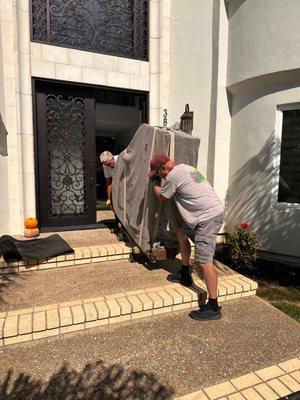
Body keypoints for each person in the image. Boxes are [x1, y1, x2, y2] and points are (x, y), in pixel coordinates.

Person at [148, 153, 225, 321]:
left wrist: (155, 185)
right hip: (207, 215)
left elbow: (162, 196)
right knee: (181, 233)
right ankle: (185, 273)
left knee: (204, 262)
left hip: (208, 218)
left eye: (157, 173)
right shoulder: (186, 168)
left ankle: (213, 307)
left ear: (164, 168)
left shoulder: (174, 176)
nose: (158, 176)